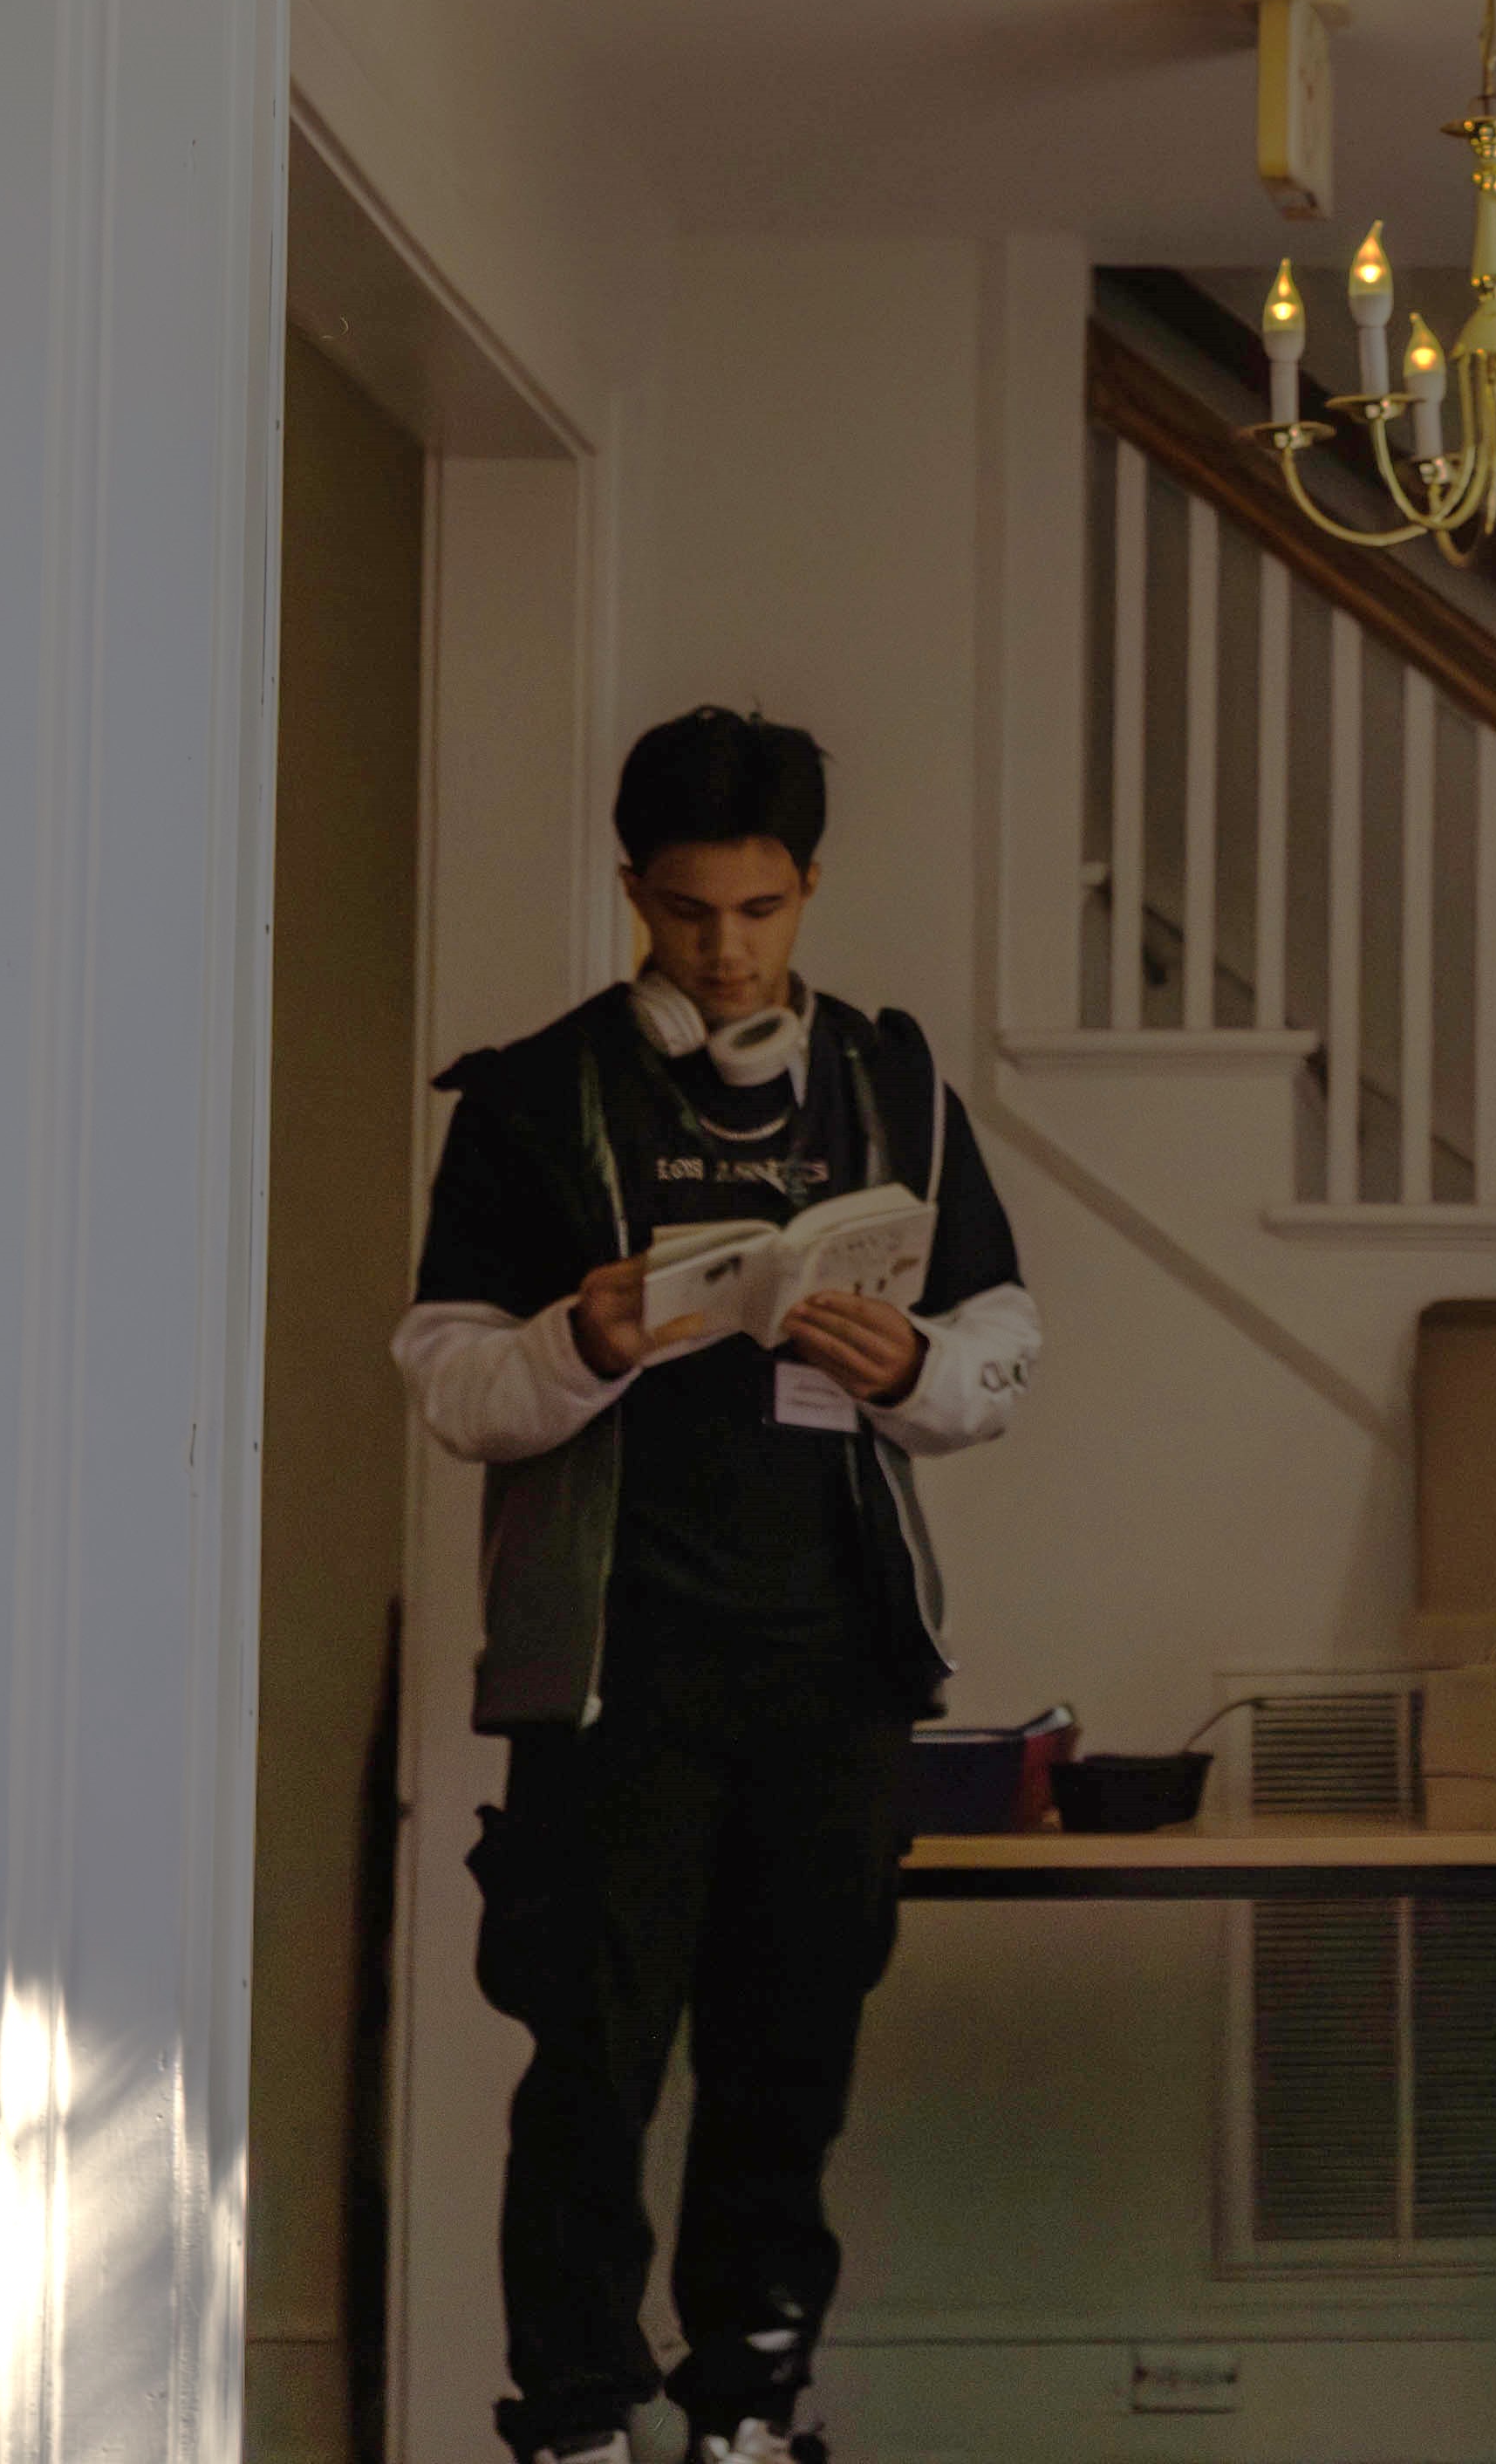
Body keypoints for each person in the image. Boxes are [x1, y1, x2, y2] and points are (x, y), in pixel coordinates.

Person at [396, 707, 1040, 2464]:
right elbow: (448, 1373)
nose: (725, 947)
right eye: (687, 912)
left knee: (790, 2058)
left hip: (833, 1660)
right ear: (632, 893)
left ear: (808, 888)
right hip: (612, 1670)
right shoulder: (534, 1095)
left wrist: (912, 1361)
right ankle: (579, 2415)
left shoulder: (895, 1083)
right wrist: (581, 1336)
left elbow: (1003, 1334)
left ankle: (753, 2404)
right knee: (591, 2063)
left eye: (758, 908)